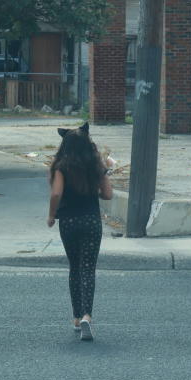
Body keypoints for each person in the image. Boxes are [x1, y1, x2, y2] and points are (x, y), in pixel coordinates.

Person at [46, 122, 113, 341]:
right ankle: (87, 315)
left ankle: (76, 317)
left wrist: (51, 215)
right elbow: (108, 194)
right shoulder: (96, 165)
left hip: (69, 222)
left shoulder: (61, 166)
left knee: (74, 267)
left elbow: (56, 194)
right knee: (88, 269)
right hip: (91, 221)